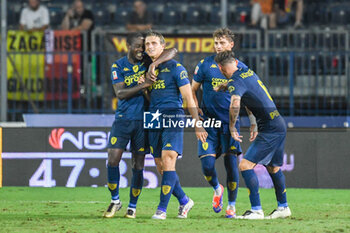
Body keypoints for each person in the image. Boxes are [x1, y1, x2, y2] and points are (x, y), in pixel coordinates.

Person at [103, 33, 177, 219]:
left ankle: (132, 206)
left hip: (145, 120)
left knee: (138, 163)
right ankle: (115, 200)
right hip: (123, 118)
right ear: (127, 45)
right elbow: (120, 93)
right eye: (137, 46)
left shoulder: (146, 61)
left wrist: (153, 64)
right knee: (113, 159)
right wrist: (144, 84)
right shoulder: (118, 66)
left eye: (143, 47)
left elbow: (173, 50)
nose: (141, 50)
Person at [214, 50, 292, 220]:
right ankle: (283, 207)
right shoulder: (246, 71)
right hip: (278, 123)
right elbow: (247, 91)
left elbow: (235, 103)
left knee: (245, 166)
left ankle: (256, 210)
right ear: (235, 62)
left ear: (220, 68)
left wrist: (233, 126)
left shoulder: (235, 81)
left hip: (270, 129)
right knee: (273, 168)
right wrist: (225, 86)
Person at [192, 28, 257, 218]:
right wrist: (197, 120)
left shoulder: (241, 68)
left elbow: (248, 98)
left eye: (222, 43)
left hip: (230, 124)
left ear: (231, 45)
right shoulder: (204, 65)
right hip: (209, 123)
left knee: (231, 165)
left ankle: (232, 205)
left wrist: (253, 121)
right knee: (207, 165)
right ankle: (217, 188)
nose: (218, 46)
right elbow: (191, 91)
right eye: (216, 43)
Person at [144, 31, 208, 220]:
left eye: (154, 43)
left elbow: (188, 97)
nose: (150, 47)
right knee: (160, 165)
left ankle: (161, 210)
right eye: (147, 44)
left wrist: (197, 124)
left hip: (173, 114)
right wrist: (144, 84)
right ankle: (184, 200)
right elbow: (148, 96)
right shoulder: (146, 69)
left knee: (168, 158)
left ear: (162, 47)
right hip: (153, 116)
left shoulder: (176, 67)